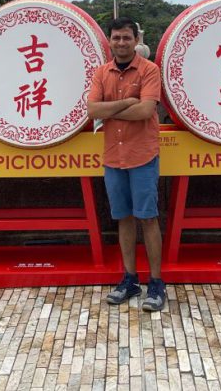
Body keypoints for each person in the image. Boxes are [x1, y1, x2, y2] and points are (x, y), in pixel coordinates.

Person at [87, 17, 167, 312]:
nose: (121, 43)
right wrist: (126, 103)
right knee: (123, 218)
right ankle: (130, 279)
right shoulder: (101, 72)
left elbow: (146, 110)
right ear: (109, 40)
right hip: (113, 157)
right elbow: (92, 110)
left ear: (136, 40)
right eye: (116, 38)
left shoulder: (150, 70)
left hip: (142, 155)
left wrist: (111, 111)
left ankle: (156, 283)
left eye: (126, 38)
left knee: (148, 218)